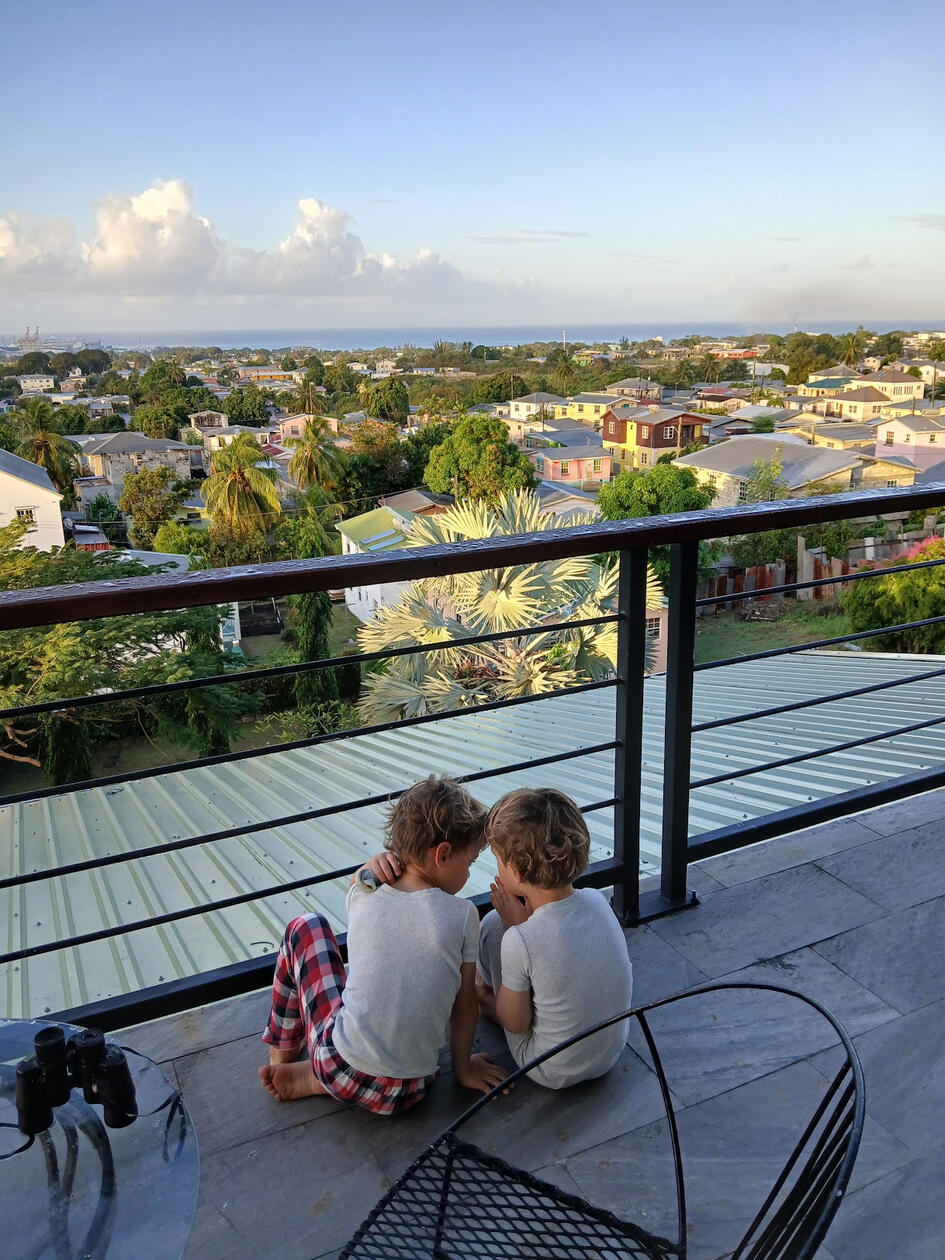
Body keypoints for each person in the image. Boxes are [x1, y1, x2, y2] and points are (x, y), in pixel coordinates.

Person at [258, 776, 507, 1116]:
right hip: (412, 1088)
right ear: (443, 854)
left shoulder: (366, 890)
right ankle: (313, 1075)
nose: (469, 873)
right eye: (470, 862)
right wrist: (464, 1071)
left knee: (307, 926)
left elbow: (356, 883)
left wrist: (370, 866)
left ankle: (285, 1053)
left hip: (340, 1069)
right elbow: (465, 1005)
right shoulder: (464, 915)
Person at [476, 787, 633, 1089]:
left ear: (516, 871)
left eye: (497, 860)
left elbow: (515, 1023)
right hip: (609, 1053)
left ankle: (483, 996)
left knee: (494, 925)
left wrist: (515, 928)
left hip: (551, 1069)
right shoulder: (597, 899)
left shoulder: (520, 939)